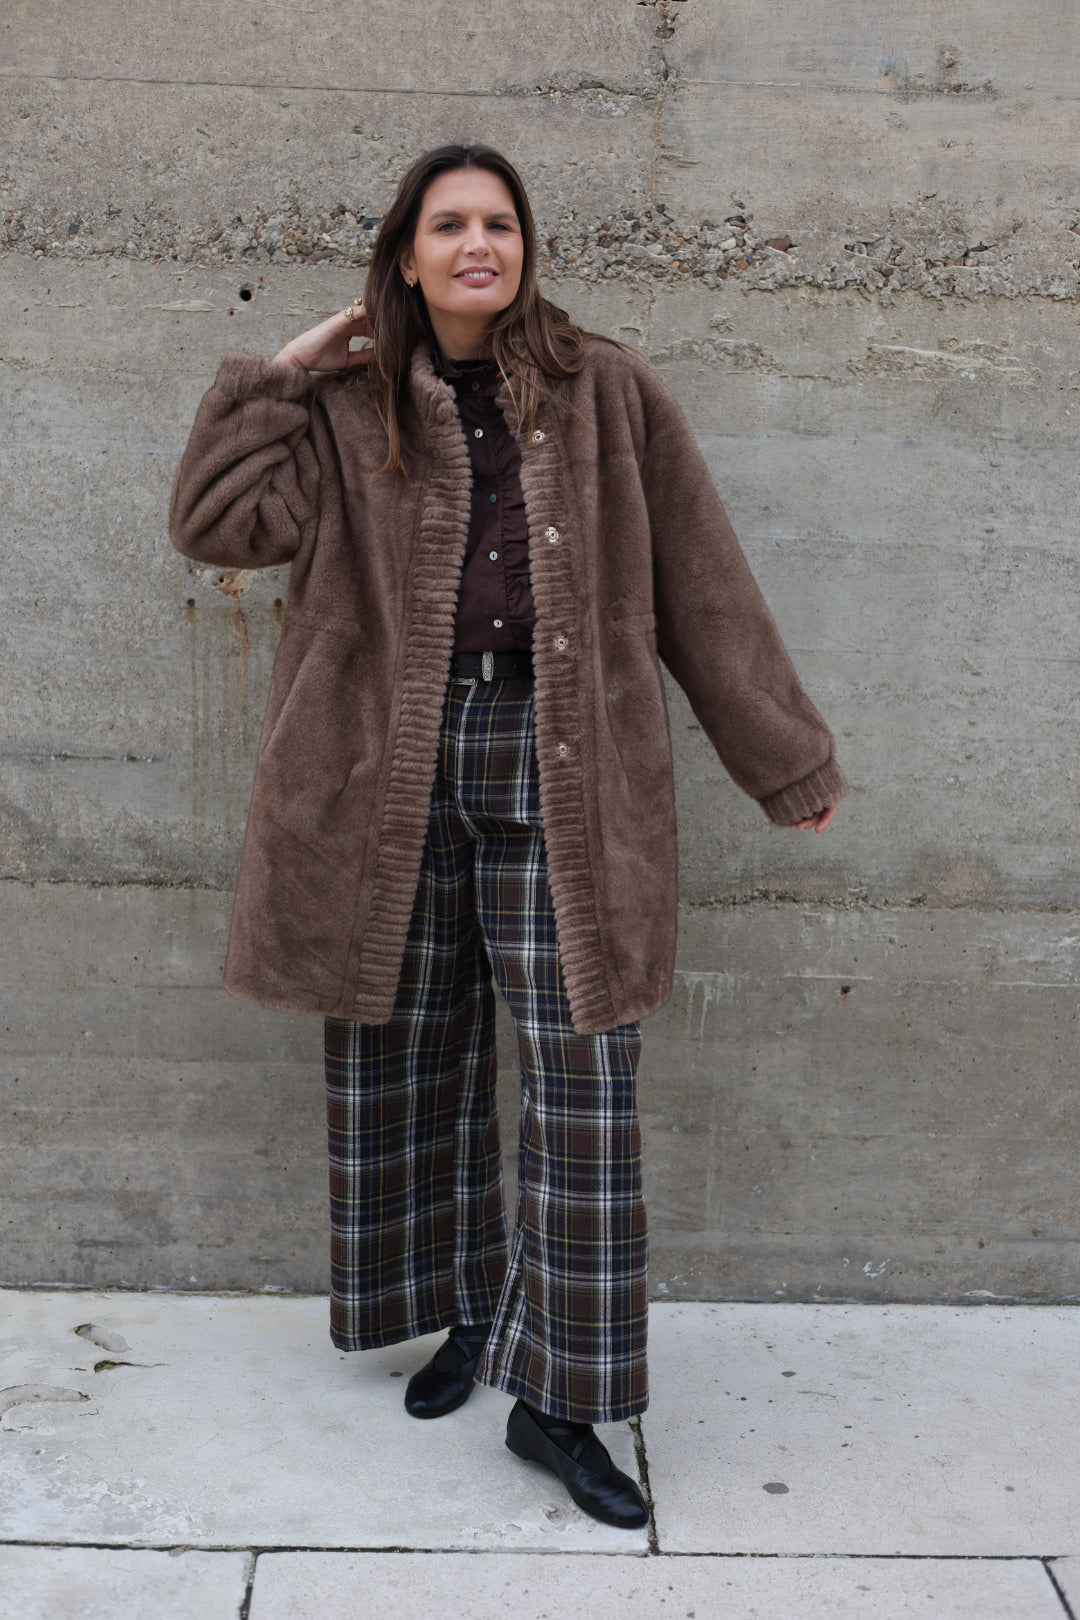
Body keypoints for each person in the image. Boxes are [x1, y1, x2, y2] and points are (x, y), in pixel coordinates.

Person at [169, 142, 847, 1531]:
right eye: (449, 225)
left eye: (500, 222)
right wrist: (282, 376)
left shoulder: (609, 392)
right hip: (385, 766)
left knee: (584, 1077)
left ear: (525, 246)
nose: (478, 243)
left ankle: (562, 1399)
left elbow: (703, 585)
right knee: (412, 1049)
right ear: (407, 255)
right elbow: (220, 528)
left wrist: (784, 758)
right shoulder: (349, 405)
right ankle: (471, 1312)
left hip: (565, 758)